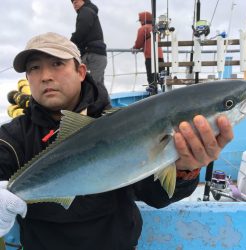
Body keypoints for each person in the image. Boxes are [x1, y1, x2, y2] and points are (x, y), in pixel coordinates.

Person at [0, 32, 233, 250]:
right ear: (28, 78)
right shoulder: (12, 138)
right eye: (34, 68)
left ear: (81, 72)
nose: (45, 76)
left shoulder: (125, 124)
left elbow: (157, 197)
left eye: (57, 64)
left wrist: (184, 168)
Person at [70, 0, 107, 89]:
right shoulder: (88, 11)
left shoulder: (85, 11)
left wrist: (69, 44)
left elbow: (81, 32)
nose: (74, 2)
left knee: (93, 86)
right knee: (98, 86)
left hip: (93, 55)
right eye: (72, 1)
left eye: (77, 0)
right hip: (94, 54)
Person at [133, 11, 165, 87]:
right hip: (160, 57)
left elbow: (138, 43)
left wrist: (135, 48)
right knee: (162, 77)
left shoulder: (143, 28)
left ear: (143, 20)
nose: (140, 22)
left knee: (151, 78)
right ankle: (164, 90)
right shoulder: (156, 29)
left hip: (150, 57)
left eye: (140, 20)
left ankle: (153, 92)